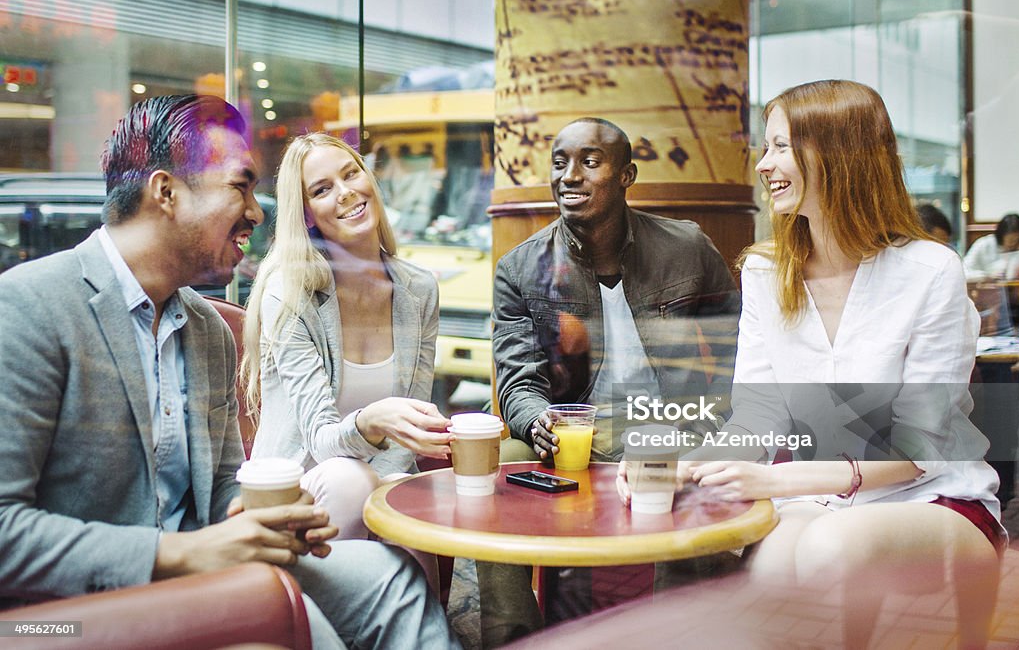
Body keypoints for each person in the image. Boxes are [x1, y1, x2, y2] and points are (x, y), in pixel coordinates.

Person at [0, 95, 459, 649]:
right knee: (294, 620)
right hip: (56, 617)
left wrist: (263, 517)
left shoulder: (208, 330)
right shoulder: (26, 307)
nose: (258, 212)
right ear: (166, 193)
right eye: (240, 186)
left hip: (201, 570)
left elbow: (219, 489)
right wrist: (184, 553)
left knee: (393, 581)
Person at [620, 80, 1005, 648]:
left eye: (779, 146)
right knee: (771, 571)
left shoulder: (931, 270)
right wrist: (681, 465)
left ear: (838, 156)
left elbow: (921, 451)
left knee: (827, 550)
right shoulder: (764, 272)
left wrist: (774, 478)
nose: (763, 164)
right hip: (815, 496)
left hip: (933, 497)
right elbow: (756, 418)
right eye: (767, 147)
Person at [484, 116, 739, 647]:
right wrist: (536, 420)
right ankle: (513, 636)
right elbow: (516, 379)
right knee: (497, 469)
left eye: (590, 162)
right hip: (576, 434)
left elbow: (737, 355)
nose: (570, 176)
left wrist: (702, 422)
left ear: (627, 175)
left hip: (670, 426)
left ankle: (687, 632)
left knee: (694, 466)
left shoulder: (687, 248)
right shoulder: (520, 268)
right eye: (560, 163)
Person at [242, 133, 449, 545]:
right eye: (322, 189)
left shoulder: (419, 289)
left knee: (410, 494)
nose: (345, 193)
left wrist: (389, 480)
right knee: (351, 478)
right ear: (306, 216)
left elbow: (410, 430)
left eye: (350, 174)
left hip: (379, 475)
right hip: (299, 486)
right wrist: (371, 421)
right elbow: (320, 440)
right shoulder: (290, 292)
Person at [963, 212, 1019, 280]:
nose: (1014, 244)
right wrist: (986, 276)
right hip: (982, 287)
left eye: (1018, 240)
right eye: (1011, 240)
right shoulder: (984, 244)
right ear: (1001, 235)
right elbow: (964, 272)